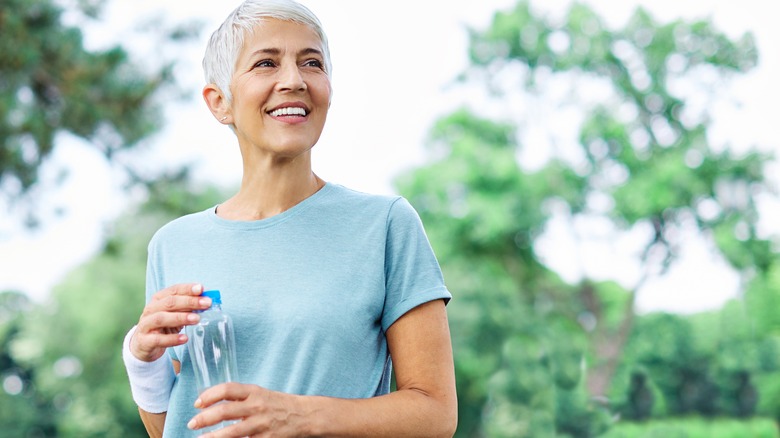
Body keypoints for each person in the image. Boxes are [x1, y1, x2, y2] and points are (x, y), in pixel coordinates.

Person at [121, 0, 457, 436]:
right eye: (266, 63)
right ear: (219, 101)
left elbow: (435, 414)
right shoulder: (173, 244)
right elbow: (179, 425)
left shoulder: (385, 225)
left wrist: (300, 416)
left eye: (312, 63)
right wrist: (141, 361)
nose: (294, 80)